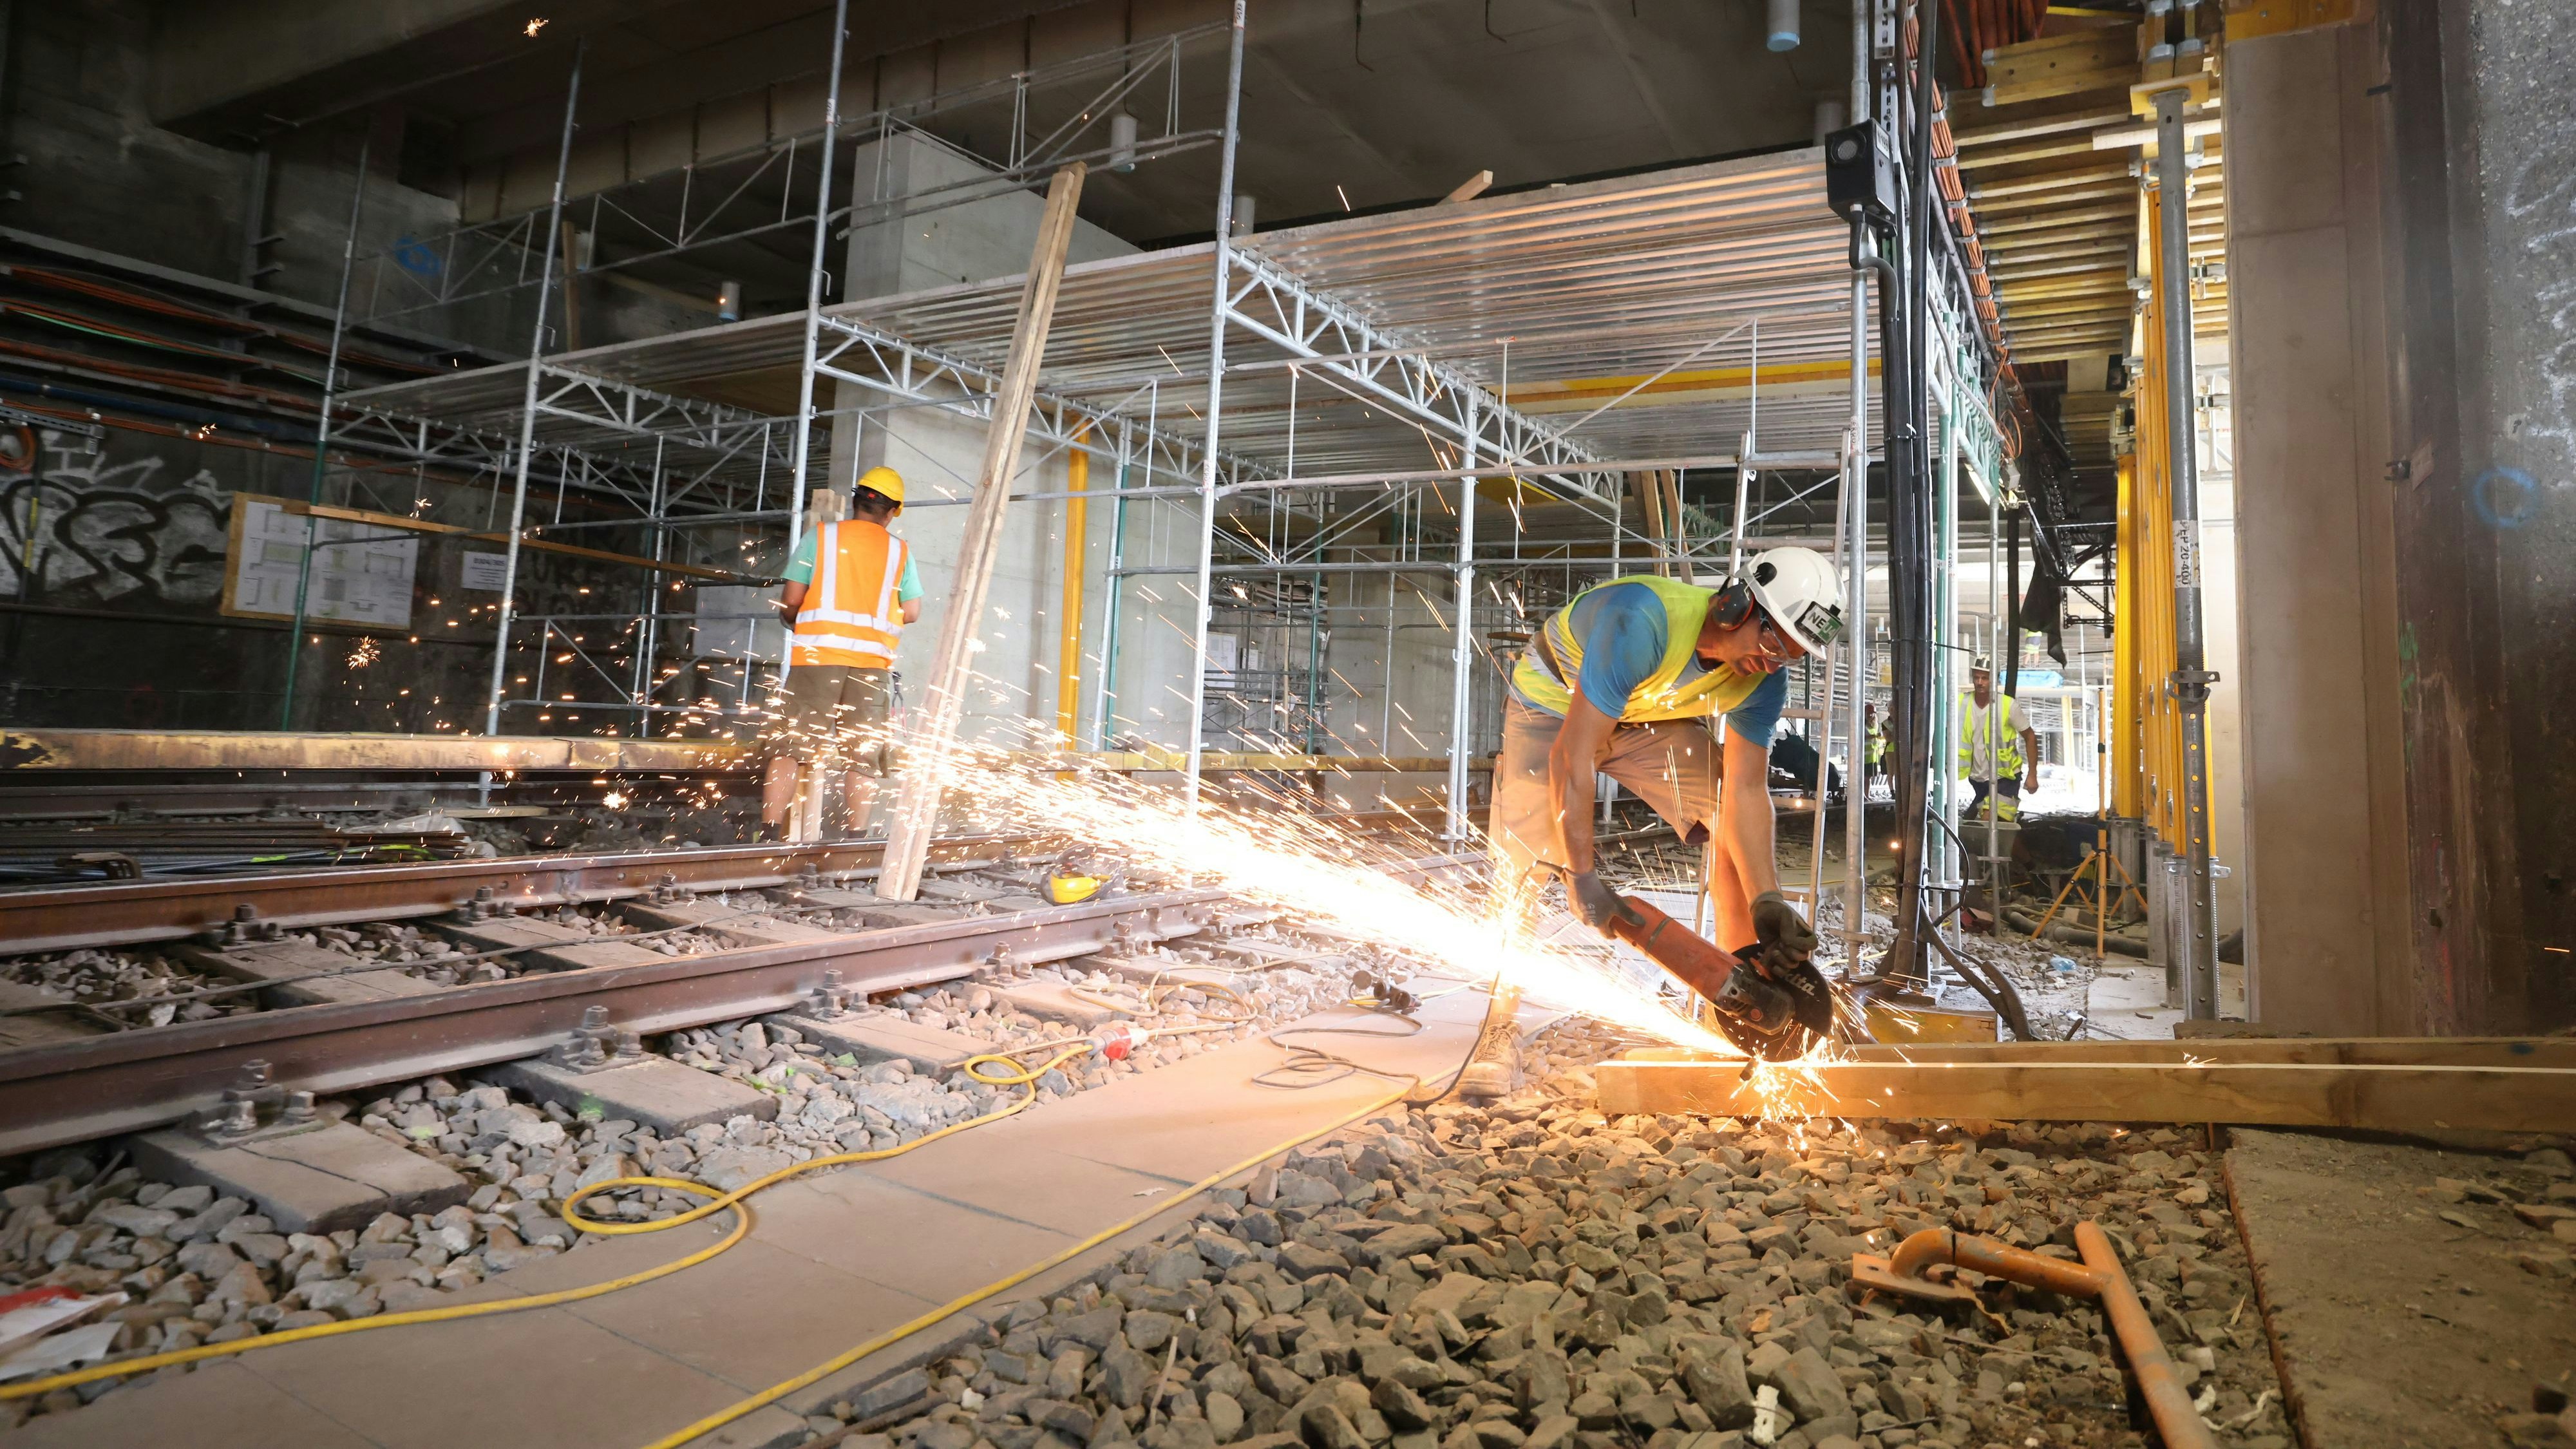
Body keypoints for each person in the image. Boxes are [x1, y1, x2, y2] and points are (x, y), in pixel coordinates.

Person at [1455, 546, 1847, 1095]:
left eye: (1793, 654)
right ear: (1737, 603)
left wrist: (1768, 899)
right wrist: (1582, 875)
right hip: (1553, 707)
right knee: (1526, 862)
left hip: (1642, 715)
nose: (1776, 659)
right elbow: (1573, 757)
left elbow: (1744, 789)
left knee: (1723, 814)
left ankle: (1743, 994)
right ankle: (1498, 1028)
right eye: (1774, 640)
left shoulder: (1763, 680)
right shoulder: (1639, 621)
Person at [764, 466, 924, 841]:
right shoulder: (900, 552)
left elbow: (791, 599)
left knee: (791, 746)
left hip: (817, 659)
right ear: (892, 511)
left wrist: (792, 618)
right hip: (872, 666)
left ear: (857, 502)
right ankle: (855, 838)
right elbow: (912, 612)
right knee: (862, 755)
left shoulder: (820, 537)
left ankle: (769, 834)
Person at [1959, 655, 2040, 822]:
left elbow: (2030, 736)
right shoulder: (1962, 702)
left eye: (1985, 678)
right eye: (1977, 677)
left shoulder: (2008, 706)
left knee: (1986, 823)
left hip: (2005, 778)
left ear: (1994, 680)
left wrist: (2032, 774)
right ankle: (2012, 847)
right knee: (1987, 827)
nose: (1980, 682)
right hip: (1978, 779)